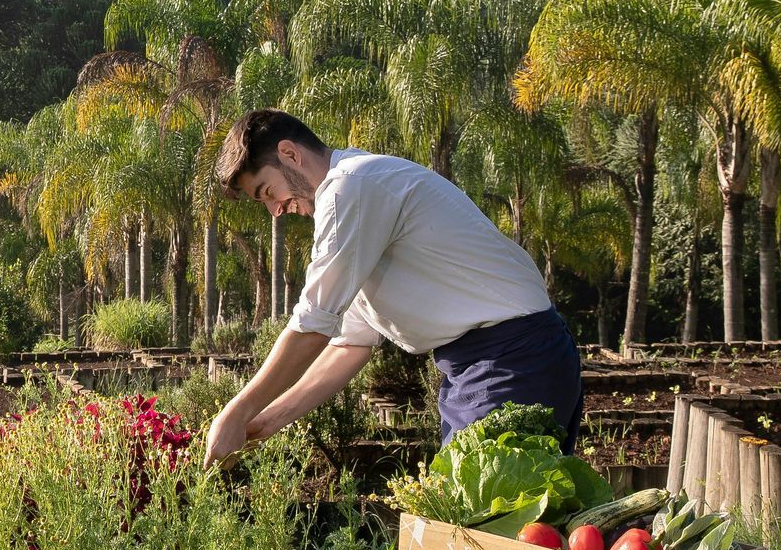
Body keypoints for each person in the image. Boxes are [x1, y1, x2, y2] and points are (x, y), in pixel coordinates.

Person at [201, 109, 581, 461]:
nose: (276, 210)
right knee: (500, 523)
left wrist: (237, 410)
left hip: (511, 360)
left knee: (476, 525)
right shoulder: (353, 199)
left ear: (290, 154)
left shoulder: (350, 187)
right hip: (484, 365)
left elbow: (312, 326)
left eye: (268, 192)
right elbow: (350, 344)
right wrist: (267, 422)